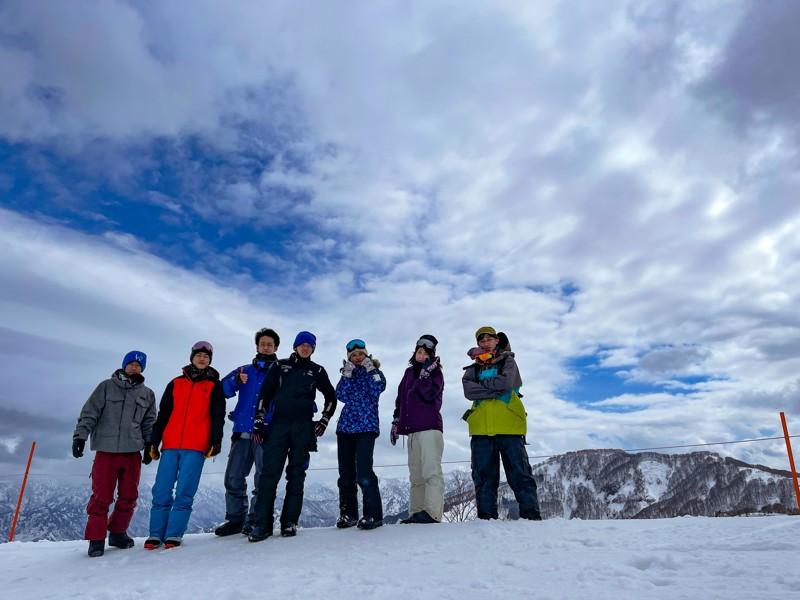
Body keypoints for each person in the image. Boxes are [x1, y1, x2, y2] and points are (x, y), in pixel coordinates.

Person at [247, 331, 337, 542]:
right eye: (302, 344)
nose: (305, 348)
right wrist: (259, 419)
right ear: (295, 346)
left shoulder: (318, 370)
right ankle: (262, 524)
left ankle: (289, 522)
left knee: (297, 476)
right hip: (278, 426)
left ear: (313, 349)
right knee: (269, 475)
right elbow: (265, 394)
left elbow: (331, 397)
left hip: (303, 427)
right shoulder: (280, 366)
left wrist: (323, 420)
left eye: (309, 345)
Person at [72, 351, 156, 557]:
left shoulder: (147, 394)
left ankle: (118, 533)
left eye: (139, 365)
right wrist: (80, 436)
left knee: (129, 496)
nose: (135, 367)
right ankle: (96, 539)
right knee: (101, 497)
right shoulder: (106, 387)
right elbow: (89, 412)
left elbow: (149, 423)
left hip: (132, 452)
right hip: (106, 452)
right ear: (124, 365)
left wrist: (149, 446)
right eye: (132, 364)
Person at [145, 341, 226, 549]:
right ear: (192, 357)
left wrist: (215, 441)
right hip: (170, 445)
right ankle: (155, 534)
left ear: (209, 361)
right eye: (199, 355)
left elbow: (218, 416)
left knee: (184, 492)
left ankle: (173, 534)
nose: (202, 359)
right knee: (161, 490)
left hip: (196, 447)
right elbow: (163, 414)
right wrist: (154, 440)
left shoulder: (214, 386)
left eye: (206, 357)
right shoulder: (175, 383)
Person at [462, 326, 542, 521]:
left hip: (509, 426)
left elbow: (506, 383)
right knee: (483, 477)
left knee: (519, 473)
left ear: (497, 341)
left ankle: (531, 516)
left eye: (489, 339)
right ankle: (486, 518)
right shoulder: (473, 368)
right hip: (481, 428)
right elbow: (469, 391)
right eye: (482, 341)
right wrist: (495, 388)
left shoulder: (508, 361)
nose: (486, 343)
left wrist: (483, 386)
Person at [214, 328, 281, 537]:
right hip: (242, 432)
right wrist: (235, 380)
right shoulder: (243, 370)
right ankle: (236, 519)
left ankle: (255, 519)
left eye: (270, 344)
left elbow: (295, 395)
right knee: (233, 477)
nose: (266, 347)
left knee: (262, 479)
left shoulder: (281, 371)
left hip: (266, 434)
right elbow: (221, 390)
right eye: (263, 344)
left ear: (276, 347)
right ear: (257, 346)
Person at [391, 334, 445, 524]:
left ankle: (432, 513)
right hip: (412, 430)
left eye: (425, 353)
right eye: (418, 352)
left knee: (431, 471)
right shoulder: (407, 373)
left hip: (429, 428)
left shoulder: (435, 373)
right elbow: (400, 399)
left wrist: (425, 376)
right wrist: (396, 421)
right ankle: (416, 512)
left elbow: (430, 395)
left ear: (432, 356)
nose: (421, 356)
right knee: (416, 475)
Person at [334, 339, 387, 530]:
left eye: (360, 354)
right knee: (346, 472)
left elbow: (378, 388)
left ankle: (373, 515)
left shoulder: (375, 374)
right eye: (353, 356)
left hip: (366, 427)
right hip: (346, 427)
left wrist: (371, 369)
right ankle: (348, 514)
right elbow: (340, 395)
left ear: (367, 355)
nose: (357, 358)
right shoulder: (348, 375)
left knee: (364, 471)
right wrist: (346, 374)